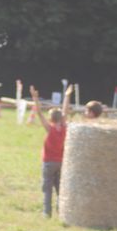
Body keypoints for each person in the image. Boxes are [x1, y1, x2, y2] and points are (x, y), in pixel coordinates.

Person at [36, 84, 72, 218]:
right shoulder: (64, 128)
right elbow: (65, 111)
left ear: (51, 119)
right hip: (60, 163)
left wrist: (35, 98)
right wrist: (67, 96)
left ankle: (47, 213)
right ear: (61, 118)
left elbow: (39, 113)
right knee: (59, 189)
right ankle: (60, 210)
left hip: (48, 163)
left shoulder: (50, 129)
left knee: (47, 190)